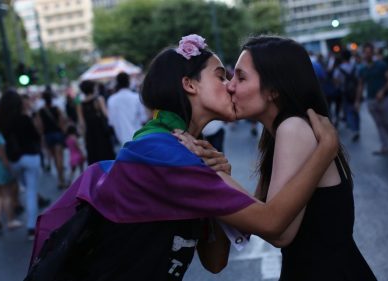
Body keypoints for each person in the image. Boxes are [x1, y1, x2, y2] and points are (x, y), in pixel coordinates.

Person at [25, 34, 339, 281]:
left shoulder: (180, 150)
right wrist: (325, 150)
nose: (229, 86)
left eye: (235, 77)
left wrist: (220, 181)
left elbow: (215, 261)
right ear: (189, 84)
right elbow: (272, 224)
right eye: (221, 75)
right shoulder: (163, 153)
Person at [221, 36, 377, 281]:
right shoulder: (281, 131)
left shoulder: (293, 128)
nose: (230, 86)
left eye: (240, 78)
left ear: (273, 90)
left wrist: (211, 176)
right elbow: (261, 211)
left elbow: (279, 231)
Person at [0, 90, 43, 240]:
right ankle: (31, 227)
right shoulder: (24, 118)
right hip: (30, 156)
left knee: (25, 186)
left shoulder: (1, 122)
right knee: (31, 191)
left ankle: (28, 222)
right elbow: (36, 136)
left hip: (14, 160)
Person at [358, 43, 388, 155]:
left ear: (372, 52)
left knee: (387, 121)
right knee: (379, 123)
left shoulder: (381, 65)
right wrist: (358, 100)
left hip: (383, 98)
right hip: (370, 99)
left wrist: (382, 91)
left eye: (369, 52)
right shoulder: (362, 68)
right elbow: (361, 84)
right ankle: (385, 145)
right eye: (365, 52)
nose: (367, 54)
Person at [76, 80, 116, 165]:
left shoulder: (80, 104)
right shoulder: (99, 99)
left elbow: (81, 123)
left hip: (90, 134)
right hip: (102, 132)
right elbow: (106, 115)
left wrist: (83, 137)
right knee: (106, 156)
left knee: (94, 159)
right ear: (92, 88)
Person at [107, 72, 148, 146]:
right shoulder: (136, 97)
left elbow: (111, 122)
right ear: (128, 82)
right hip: (139, 138)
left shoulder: (111, 100)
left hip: (122, 141)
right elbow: (144, 119)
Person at [37, 90, 67, 188]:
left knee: (54, 158)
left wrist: (42, 138)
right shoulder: (56, 109)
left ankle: (59, 179)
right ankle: (61, 179)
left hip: (48, 136)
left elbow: (40, 126)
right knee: (60, 158)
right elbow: (63, 120)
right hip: (57, 134)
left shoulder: (40, 111)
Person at [333, 50, 361, 142]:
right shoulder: (354, 67)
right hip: (355, 91)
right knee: (356, 110)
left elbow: (336, 80)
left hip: (345, 92)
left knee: (348, 111)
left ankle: (353, 130)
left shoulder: (339, 69)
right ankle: (357, 129)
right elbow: (359, 79)